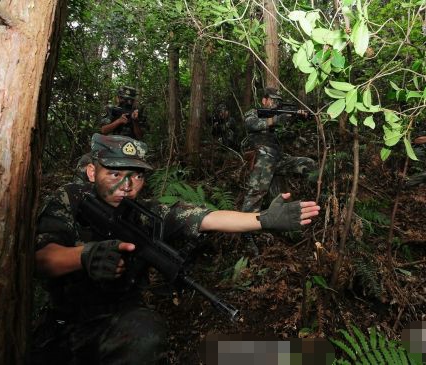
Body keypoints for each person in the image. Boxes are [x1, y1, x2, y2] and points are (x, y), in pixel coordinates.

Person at [31, 133, 320, 364]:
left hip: (118, 323)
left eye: (137, 176)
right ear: (92, 172)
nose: (127, 186)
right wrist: (85, 256)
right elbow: (41, 259)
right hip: (64, 325)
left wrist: (264, 220)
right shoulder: (70, 199)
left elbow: (205, 218)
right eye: (115, 173)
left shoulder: (144, 214)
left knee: (146, 334)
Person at [241, 88, 317, 213]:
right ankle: (246, 228)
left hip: (278, 157)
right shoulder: (254, 112)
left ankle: (317, 200)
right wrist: (276, 119)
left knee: (308, 163)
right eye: (273, 100)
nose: (276, 104)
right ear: (264, 100)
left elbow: (288, 136)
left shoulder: (277, 118)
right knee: (256, 192)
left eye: (278, 101)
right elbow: (251, 124)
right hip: (263, 156)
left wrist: (296, 118)